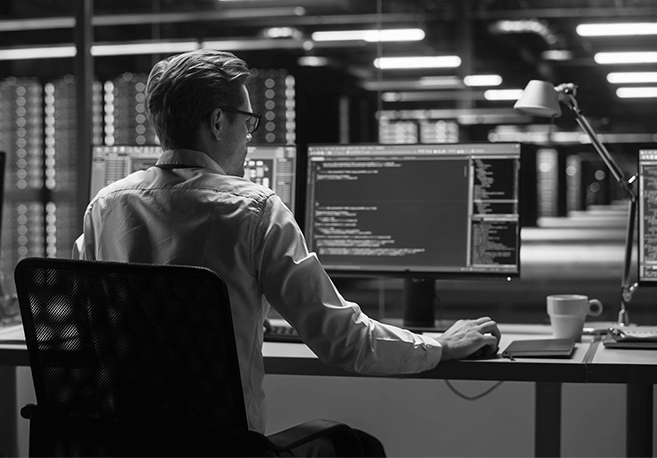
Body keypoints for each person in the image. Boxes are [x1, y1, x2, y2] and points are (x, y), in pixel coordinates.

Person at [74, 49, 501, 457]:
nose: (249, 135)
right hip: (222, 451)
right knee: (356, 446)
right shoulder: (254, 210)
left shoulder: (105, 207)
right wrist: (439, 346)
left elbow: (68, 321)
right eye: (248, 121)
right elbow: (345, 341)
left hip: (117, 446)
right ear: (219, 122)